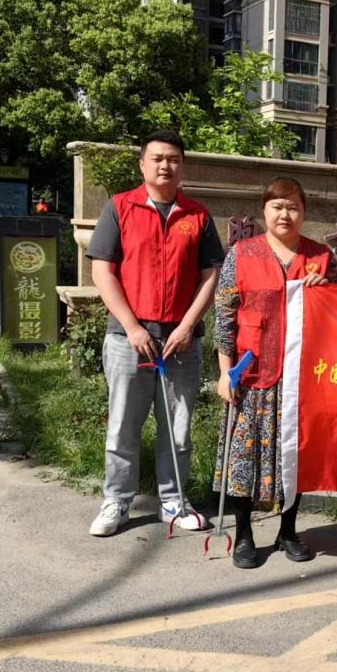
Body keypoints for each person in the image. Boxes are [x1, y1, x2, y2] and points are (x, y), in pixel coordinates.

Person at [87, 129, 225, 537]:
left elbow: (211, 275)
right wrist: (132, 327)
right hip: (128, 338)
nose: (166, 166)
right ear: (143, 164)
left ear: (183, 167)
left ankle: (174, 500)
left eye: (174, 159)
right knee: (122, 426)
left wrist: (186, 326)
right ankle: (116, 500)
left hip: (181, 342)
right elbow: (102, 270)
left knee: (177, 428)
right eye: (158, 158)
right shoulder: (120, 207)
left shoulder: (197, 215)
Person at [214, 176, 337, 569]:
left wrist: (326, 290)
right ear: (264, 210)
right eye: (277, 206)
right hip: (251, 374)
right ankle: (244, 534)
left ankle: (288, 530)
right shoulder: (242, 253)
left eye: (293, 207)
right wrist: (225, 372)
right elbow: (224, 315)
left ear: (304, 212)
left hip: (302, 377)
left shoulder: (321, 256)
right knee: (242, 459)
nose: (285, 214)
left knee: (293, 457)